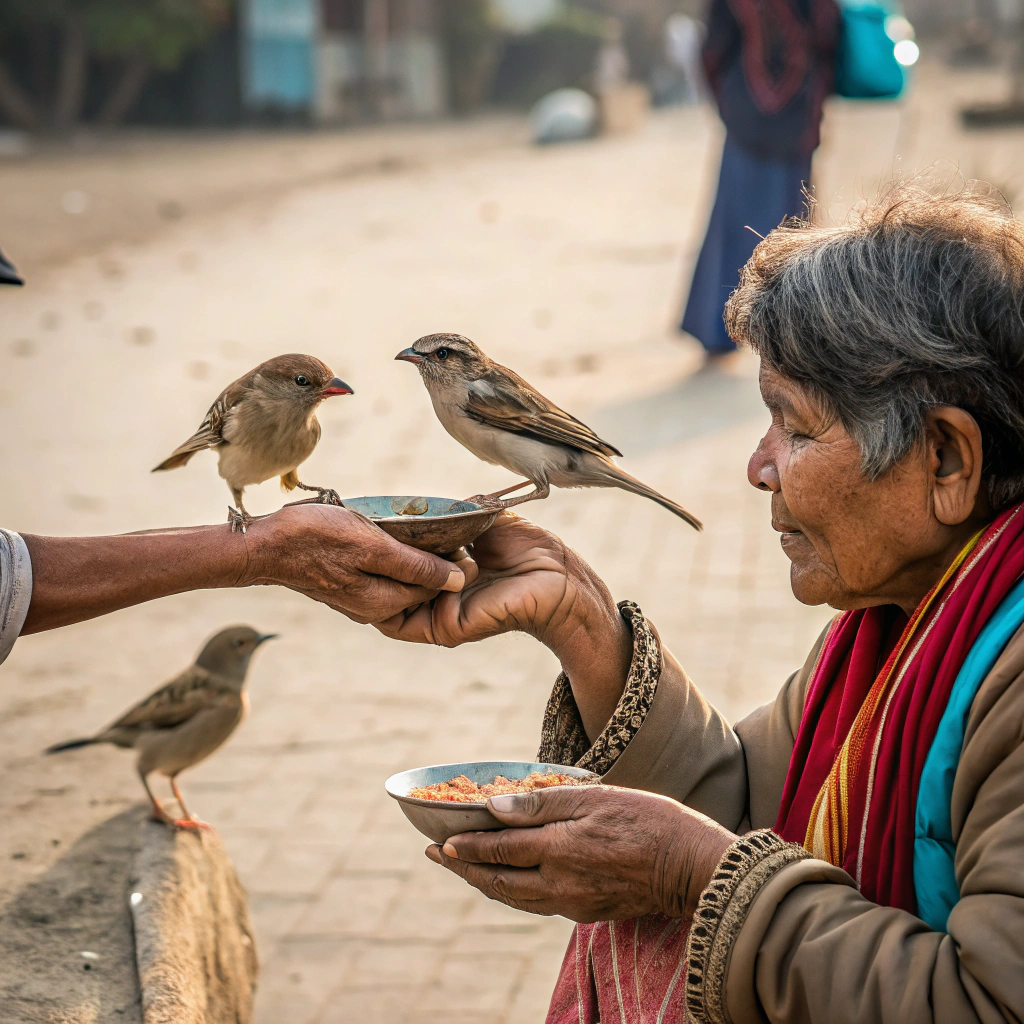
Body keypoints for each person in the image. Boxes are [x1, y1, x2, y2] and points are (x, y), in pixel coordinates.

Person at [376, 185, 1024, 1023]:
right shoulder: (898, 625)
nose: (757, 467)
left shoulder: (1003, 675)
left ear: (944, 459)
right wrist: (581, 618)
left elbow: (987, 1004)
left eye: (792, 427)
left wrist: (702, 877)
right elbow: (742, 793)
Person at [0, 247, 465, 664]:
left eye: (327, 385)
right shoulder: (242, 405)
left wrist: (289, 519)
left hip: (284, 471)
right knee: (241, 484)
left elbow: (13, 576)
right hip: (240, 474)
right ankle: (242, 505)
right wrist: (252, 540)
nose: (329, 392)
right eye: (307, 385)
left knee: (296, 465)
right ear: (277, 383)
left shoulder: (308, 427)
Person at [680, 0, 840, 358]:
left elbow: (712, 53)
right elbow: (833, 43)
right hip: (796, 118)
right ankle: (796, 335)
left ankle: (720, 331)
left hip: (749, 120)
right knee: (793, 230)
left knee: (738, 227)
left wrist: (729, 104)